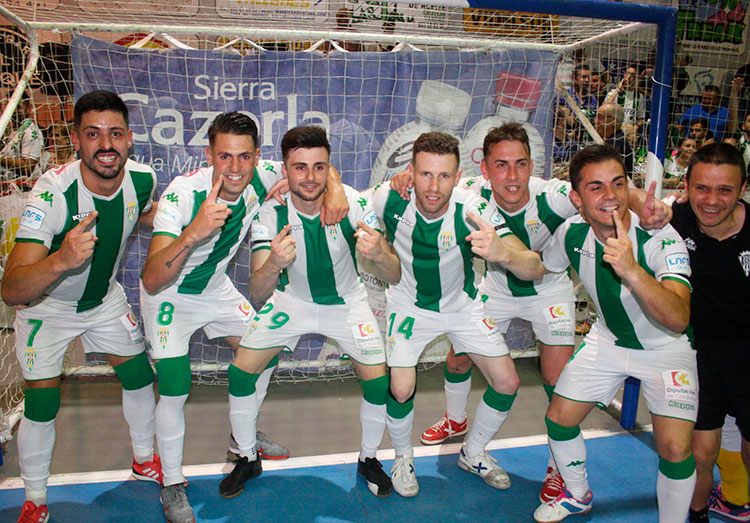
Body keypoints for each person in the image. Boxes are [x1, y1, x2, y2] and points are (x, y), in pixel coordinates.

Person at [417, 123, 673, 503]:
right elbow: (419, 182)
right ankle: (456, 419)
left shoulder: (553, 196)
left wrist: (645, 205)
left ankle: (557, 467)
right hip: (497, 289)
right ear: (484, 170)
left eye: (521, 164)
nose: (512, 175)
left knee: (558, 381)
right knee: (457, 360)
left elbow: (608, 193)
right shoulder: (469, 192)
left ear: (532, 165)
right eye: (501, 165)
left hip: (548, 289)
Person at [140, 113, 347, 522]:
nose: (234, 169)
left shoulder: (263, 174)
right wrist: (192, 233)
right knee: (176, 385)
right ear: (208, 156)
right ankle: (172, 483)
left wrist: (336, 188)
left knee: (265, 352)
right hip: (170, 296)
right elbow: (150, 279)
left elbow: (311, 164)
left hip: (215, 290)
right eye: (224, 157)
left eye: (244, 157)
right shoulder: (183, 195)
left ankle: (243, 438)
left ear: (257, 157)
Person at [1, 90, 160, 523]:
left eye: (114, 134)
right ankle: (35, 499)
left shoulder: (142, 179)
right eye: (93, 134)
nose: (105, 145)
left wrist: (181, 221)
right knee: (42, 404)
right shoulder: (51, 195)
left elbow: (144, 213)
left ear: (129, 139)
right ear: (76, 139)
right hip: (46, 311)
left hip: (104, 301)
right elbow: (12, 289)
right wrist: (62, 260)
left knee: (140, 376)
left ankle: (144, 459)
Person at [218, 125, 400, 500]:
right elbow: (256, 290)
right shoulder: (270, 212)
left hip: (347, 303)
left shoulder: (352, 203)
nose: (310, 177)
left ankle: (368, 458)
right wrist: (273, 265)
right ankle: (248, 457)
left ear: (330, 169)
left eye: (320, 167)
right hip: (290, 302)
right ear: (284, 170)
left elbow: (394, 274)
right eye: (300, 167)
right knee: (240, 374)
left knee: (378, 382)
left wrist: (380, 253)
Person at [371, 131, 543, 497]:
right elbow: (337, 201)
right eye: (425, 174)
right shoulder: (386, 198)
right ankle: (403, 458)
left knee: (508, 382)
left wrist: (504, 253)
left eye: (444, 175)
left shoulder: (472, 208)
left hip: (463, 307)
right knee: (400, 389)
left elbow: (532, 266)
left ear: (459, 176)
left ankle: (473, 452)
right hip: (409, 306)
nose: (434, 187)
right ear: (411, 172)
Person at [532, 144, 697, 523]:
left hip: (666, 349)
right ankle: (578, 495)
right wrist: (502, 252)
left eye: (618, 184)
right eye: (596, 188)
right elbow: (541, 267)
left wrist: (632, 270)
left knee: (674, 448)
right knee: (559, 418)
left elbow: (678, 319)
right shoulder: (572, 233)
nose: (611, 197)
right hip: (608, 340)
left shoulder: (661, 237)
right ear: (577, 198)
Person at [668, 143, 750, 523]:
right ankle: (698, 514)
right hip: (696, 353)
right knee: (700, 452)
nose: (712, 200)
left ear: (742, 190)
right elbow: (627, 198)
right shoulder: (673, 219)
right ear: (685, 186)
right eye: (702, 188)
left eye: (725, 190)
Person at [0, 90, 44, 182]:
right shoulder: (12, 132)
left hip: (24, 192)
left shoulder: (31, 132)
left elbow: (27, 167)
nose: (14, 111)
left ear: (29, 108)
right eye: (11, 107)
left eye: (19, 107)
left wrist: (1, 160)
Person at [595, 103, 634, 176]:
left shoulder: (616, 142)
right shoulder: (614, 139)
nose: (595, 121)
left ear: (614, 121)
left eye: (600, 117)